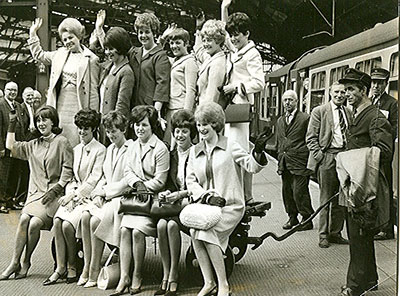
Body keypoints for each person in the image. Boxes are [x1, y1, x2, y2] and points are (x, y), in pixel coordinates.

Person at [186, 102, 268, 296]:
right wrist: (206, 196)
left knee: (206, 234)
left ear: (216, 124)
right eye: (199, 124)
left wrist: (257, 151)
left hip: (230, 206)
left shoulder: (230, 146)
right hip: (206, 207)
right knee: (194, 232)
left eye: (206, 123)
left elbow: (251, 166)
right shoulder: (194, 150)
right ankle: (208, 282)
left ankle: (222, 284)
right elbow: (190, 181)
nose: (201, 128)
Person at [0, 105, 73, 280]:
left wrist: (57, 188)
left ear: (53, 122)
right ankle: (14, 263)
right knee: (24, 219)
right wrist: (11, 123)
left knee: (33, 224)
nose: (41, 123)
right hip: (35, 194)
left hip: (53, 196)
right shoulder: (33, 144)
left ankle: (26, 261)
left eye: (44, 119)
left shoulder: (62, 142)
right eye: (38, 120)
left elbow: (68, 170)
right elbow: (10, 145)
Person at [337, 68, 392, 296]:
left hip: (365, 187)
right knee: (360, 234)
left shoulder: (376, 117)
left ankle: (355, 286)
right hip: (355, 185)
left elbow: (385, 151)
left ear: (364, 90)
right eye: (345, 89)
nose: (346, 93)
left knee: (358, 236)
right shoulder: (357, 114)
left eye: (351, 89)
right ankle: (370, 280)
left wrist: (352, 161)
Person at [111, 105, 169, 296]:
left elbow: (160, 180)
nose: (140, 129)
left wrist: (145, 187)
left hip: (151, 203)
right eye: (136, 125)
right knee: (124, 230)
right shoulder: (132, 146)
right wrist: (138, 184)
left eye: (144, 125)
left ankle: (137, 274)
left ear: (152, 126)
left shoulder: (160, 148)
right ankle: (124, 277)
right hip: (136, 199)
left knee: (136, 232)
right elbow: (128, 171)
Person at [44, 109, 105, 286]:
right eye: (79, 128)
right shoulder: (75, 148)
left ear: (93, 129)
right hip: (73, 195)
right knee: (57, 222)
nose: (82, 132)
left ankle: (72, 265)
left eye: (86, 128)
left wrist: (75, 197)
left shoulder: (100, 150)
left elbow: (94, 178)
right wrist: (70, 194)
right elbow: (71, 177)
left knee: (68, 226)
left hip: (88, 199)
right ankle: (60, 268)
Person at [78, 110, 132, 288]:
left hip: (123, 198)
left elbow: (128, 181)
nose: (111, 135)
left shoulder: (131, 148)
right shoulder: (110, 149)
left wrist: (105, 193)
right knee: (86, 216)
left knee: (94, 222)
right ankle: (87, 266)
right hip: (108, 196)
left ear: (123, 129)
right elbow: (104, 176)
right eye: (108, 131)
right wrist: (98, 192)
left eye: (114, 131)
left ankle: (94, 269)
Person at [28, 17, 100, 147]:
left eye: (71, 37)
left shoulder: (91, 59)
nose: (67, 42)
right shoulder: (59, 54)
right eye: (64, 39)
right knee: (58, 141)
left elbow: (93, 90)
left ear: (79, 36)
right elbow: (40, 55)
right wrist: (33, 34)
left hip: (78, 107)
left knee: (75, 142)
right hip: (59, 106)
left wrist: (92, 117)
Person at [221, 0, 265, 203]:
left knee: (238, 151)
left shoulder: (252, 54)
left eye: (237, 34)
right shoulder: (238, 50)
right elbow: (224, 31)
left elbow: (259, 82)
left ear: (247, 33)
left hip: (241, 108)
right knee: (234, 150)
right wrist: (224, 8)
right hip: (233, 108)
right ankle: (241, 193)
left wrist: (236, 87)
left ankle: (244, 195)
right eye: (232, 35)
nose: (233, 38)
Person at [95, 11, 170, 125]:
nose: (143, 35)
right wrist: (99, 29)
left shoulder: (160, 56)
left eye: (147, 32)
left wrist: (156, 112)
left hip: (147, 109)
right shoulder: (134, 52)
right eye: (140, 32)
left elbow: (162, 84)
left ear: (154, 33)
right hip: (132, 108)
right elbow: (114, 48)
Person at [155, 109, 196, 296]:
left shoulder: (197, 153)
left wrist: (179, 195)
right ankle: (165, 273)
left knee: (171, 225)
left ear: (191, 133)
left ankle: (173, 274)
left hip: (193, 203)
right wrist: (166, 193)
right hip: (177, 204)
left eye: (184, 131)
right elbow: (170, 184)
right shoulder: (172, 155)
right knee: (162, 224)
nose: (179, 135)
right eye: (177, 130)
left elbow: (200, 186)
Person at [306, 82, 349, 248]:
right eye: (337, 92)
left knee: (340, 199)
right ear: (330, 92)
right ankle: (323, 235)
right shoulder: (320, 111)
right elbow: (311, 138)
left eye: (343, 92)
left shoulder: (348, 111)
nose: (340, 95)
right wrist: (321, 157)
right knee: (325, 199)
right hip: (328, 157)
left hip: (344, 157)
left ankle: (335, 233)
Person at [275, 90, 314, 231]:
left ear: (296, 102)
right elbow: (280, 140)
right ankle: (292, 217)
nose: (287, 103)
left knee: (299, 191)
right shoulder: (280, 120)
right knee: (287, 192)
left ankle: (307, 218)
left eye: (291, 100)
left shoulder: (305, 118)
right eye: (285, 100)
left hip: (300, 161)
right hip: (285, 162)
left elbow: (310, 139)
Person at [93, 24, 135, 144]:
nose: (107, 52)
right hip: (103, 125)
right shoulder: (108, 66)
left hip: (114, 129)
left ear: (120, 48)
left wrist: (113, 129)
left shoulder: (126, 72)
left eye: (111, 49)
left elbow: (122, 106)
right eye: (106, 49)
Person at [370, 67, 398, 240]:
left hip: (384, 155)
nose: (376, 86)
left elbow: (395, 128)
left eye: (380, 83)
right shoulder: (371, 101)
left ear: (386, 84)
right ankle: (376, 224)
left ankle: (387, 229)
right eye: (374, 82)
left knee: (385, 191)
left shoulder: (392, 103)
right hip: (370, 154)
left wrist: (383, 143)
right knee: (373, 190)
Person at [161, 27, 198, 144]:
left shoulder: (190, 62)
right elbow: (158, 54)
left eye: (178, 43)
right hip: (171, 110)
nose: (174, 46)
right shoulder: (175, 61)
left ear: (186, 43)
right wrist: (163, 39)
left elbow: (191, 90)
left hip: (180, 109)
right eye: (171, 43)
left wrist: (186, 117)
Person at [0, 82, 26, 213]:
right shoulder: (0, 104)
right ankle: (1, 203)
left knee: (14, 175)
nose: (12, 92)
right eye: (10, 90)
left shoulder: (18, 106)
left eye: (15, 90)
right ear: (5, 90)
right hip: (4, 147)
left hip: (16, 146)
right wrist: (1, 147)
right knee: (3, 175)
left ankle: (10, 201)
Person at [194, 18, 227, 105]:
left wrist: (204, 115)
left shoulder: (218, 63)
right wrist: (198, 27)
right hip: (202, 108)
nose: (205, 44)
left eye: (209, 40)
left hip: (208, 111)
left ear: (218, 40)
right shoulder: (210, 57)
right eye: (204, 40)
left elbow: (212, 96)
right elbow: (198, 50)